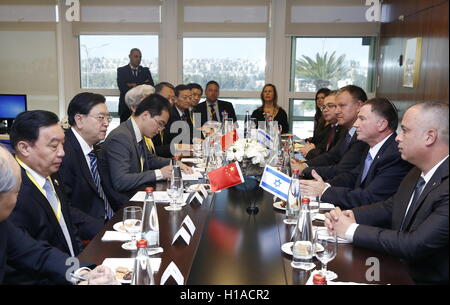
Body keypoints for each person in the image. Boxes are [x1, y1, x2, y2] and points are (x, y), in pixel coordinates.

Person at [325, 102, 449, 284]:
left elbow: (414, 244)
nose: (398, 137)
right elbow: (391, 206)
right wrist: (350, 216)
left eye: (405, 131)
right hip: (394, 266)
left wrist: (351, 229)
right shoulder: (416, 171)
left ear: (429, 137)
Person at [7, 111, 102, 284]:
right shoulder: (12, 192)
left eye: (63, 144)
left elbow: (68, 227)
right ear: (24, 148)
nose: (62, 153)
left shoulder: (52, 174)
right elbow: (27, 259)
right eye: (53, 146)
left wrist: (82, 269)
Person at [0, 145, 117, 285]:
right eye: (16, 192)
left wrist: (82, 274)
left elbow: (39, 255)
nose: (17, 199)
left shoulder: (4, 226)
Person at [300, 98, 412, 209]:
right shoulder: (372, 146)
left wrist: (325, 191)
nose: (355, 124)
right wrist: (325, 186)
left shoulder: (395, 155)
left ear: (382, 124)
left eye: (362, 119)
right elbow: (352, 176)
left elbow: (369, 197)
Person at [99, 94, 174, 204]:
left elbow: (150, 159)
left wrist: (174, 163)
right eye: (160, 123)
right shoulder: (121, 136)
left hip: (139, 194)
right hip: (125, 204)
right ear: (145, 115)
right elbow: (121, 181)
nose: (160, 130)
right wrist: (159, 173)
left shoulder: (136, 132)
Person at [60, 93, 120, 223]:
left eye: (108, 118)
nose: (106, 123)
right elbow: (64, 207)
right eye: (100, 117)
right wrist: (101, 230)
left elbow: (108, 191)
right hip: (90, 229)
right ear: (79, 120)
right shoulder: (63, 153)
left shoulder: (95, 149)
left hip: (110, 219)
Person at [293, 85, 369, 180]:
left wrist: (304, 170)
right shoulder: (348, 131)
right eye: (336, 106)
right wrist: (304, 165)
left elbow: (342, 170)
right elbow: (331, 156)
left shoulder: (363, 135)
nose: (336, 111)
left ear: (359, 106)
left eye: (341, 106)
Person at [300, 91, 344, 159]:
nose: (325, 110)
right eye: (323, 107)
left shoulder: (343, 129)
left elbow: (331, 158)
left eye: (330, 106)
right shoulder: (333, 127)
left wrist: (310, 151)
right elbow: (322, 148)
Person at [155, 84, 194, 158]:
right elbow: (153, 150)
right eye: (167, 98)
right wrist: (186, 147)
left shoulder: (186, 112)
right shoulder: (154, 118)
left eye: (172, 99)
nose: (170, 102)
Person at [117, 48, 154, 123]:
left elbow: (151, 87)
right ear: (130, 56)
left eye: (140, 57)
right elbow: (123, 88)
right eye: (136, 56)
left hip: (142, 108)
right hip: (125, 108)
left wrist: (132, 84)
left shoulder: (145, 71)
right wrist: (142, 83)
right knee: (124, 132)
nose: (138, 59)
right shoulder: (121, 71)